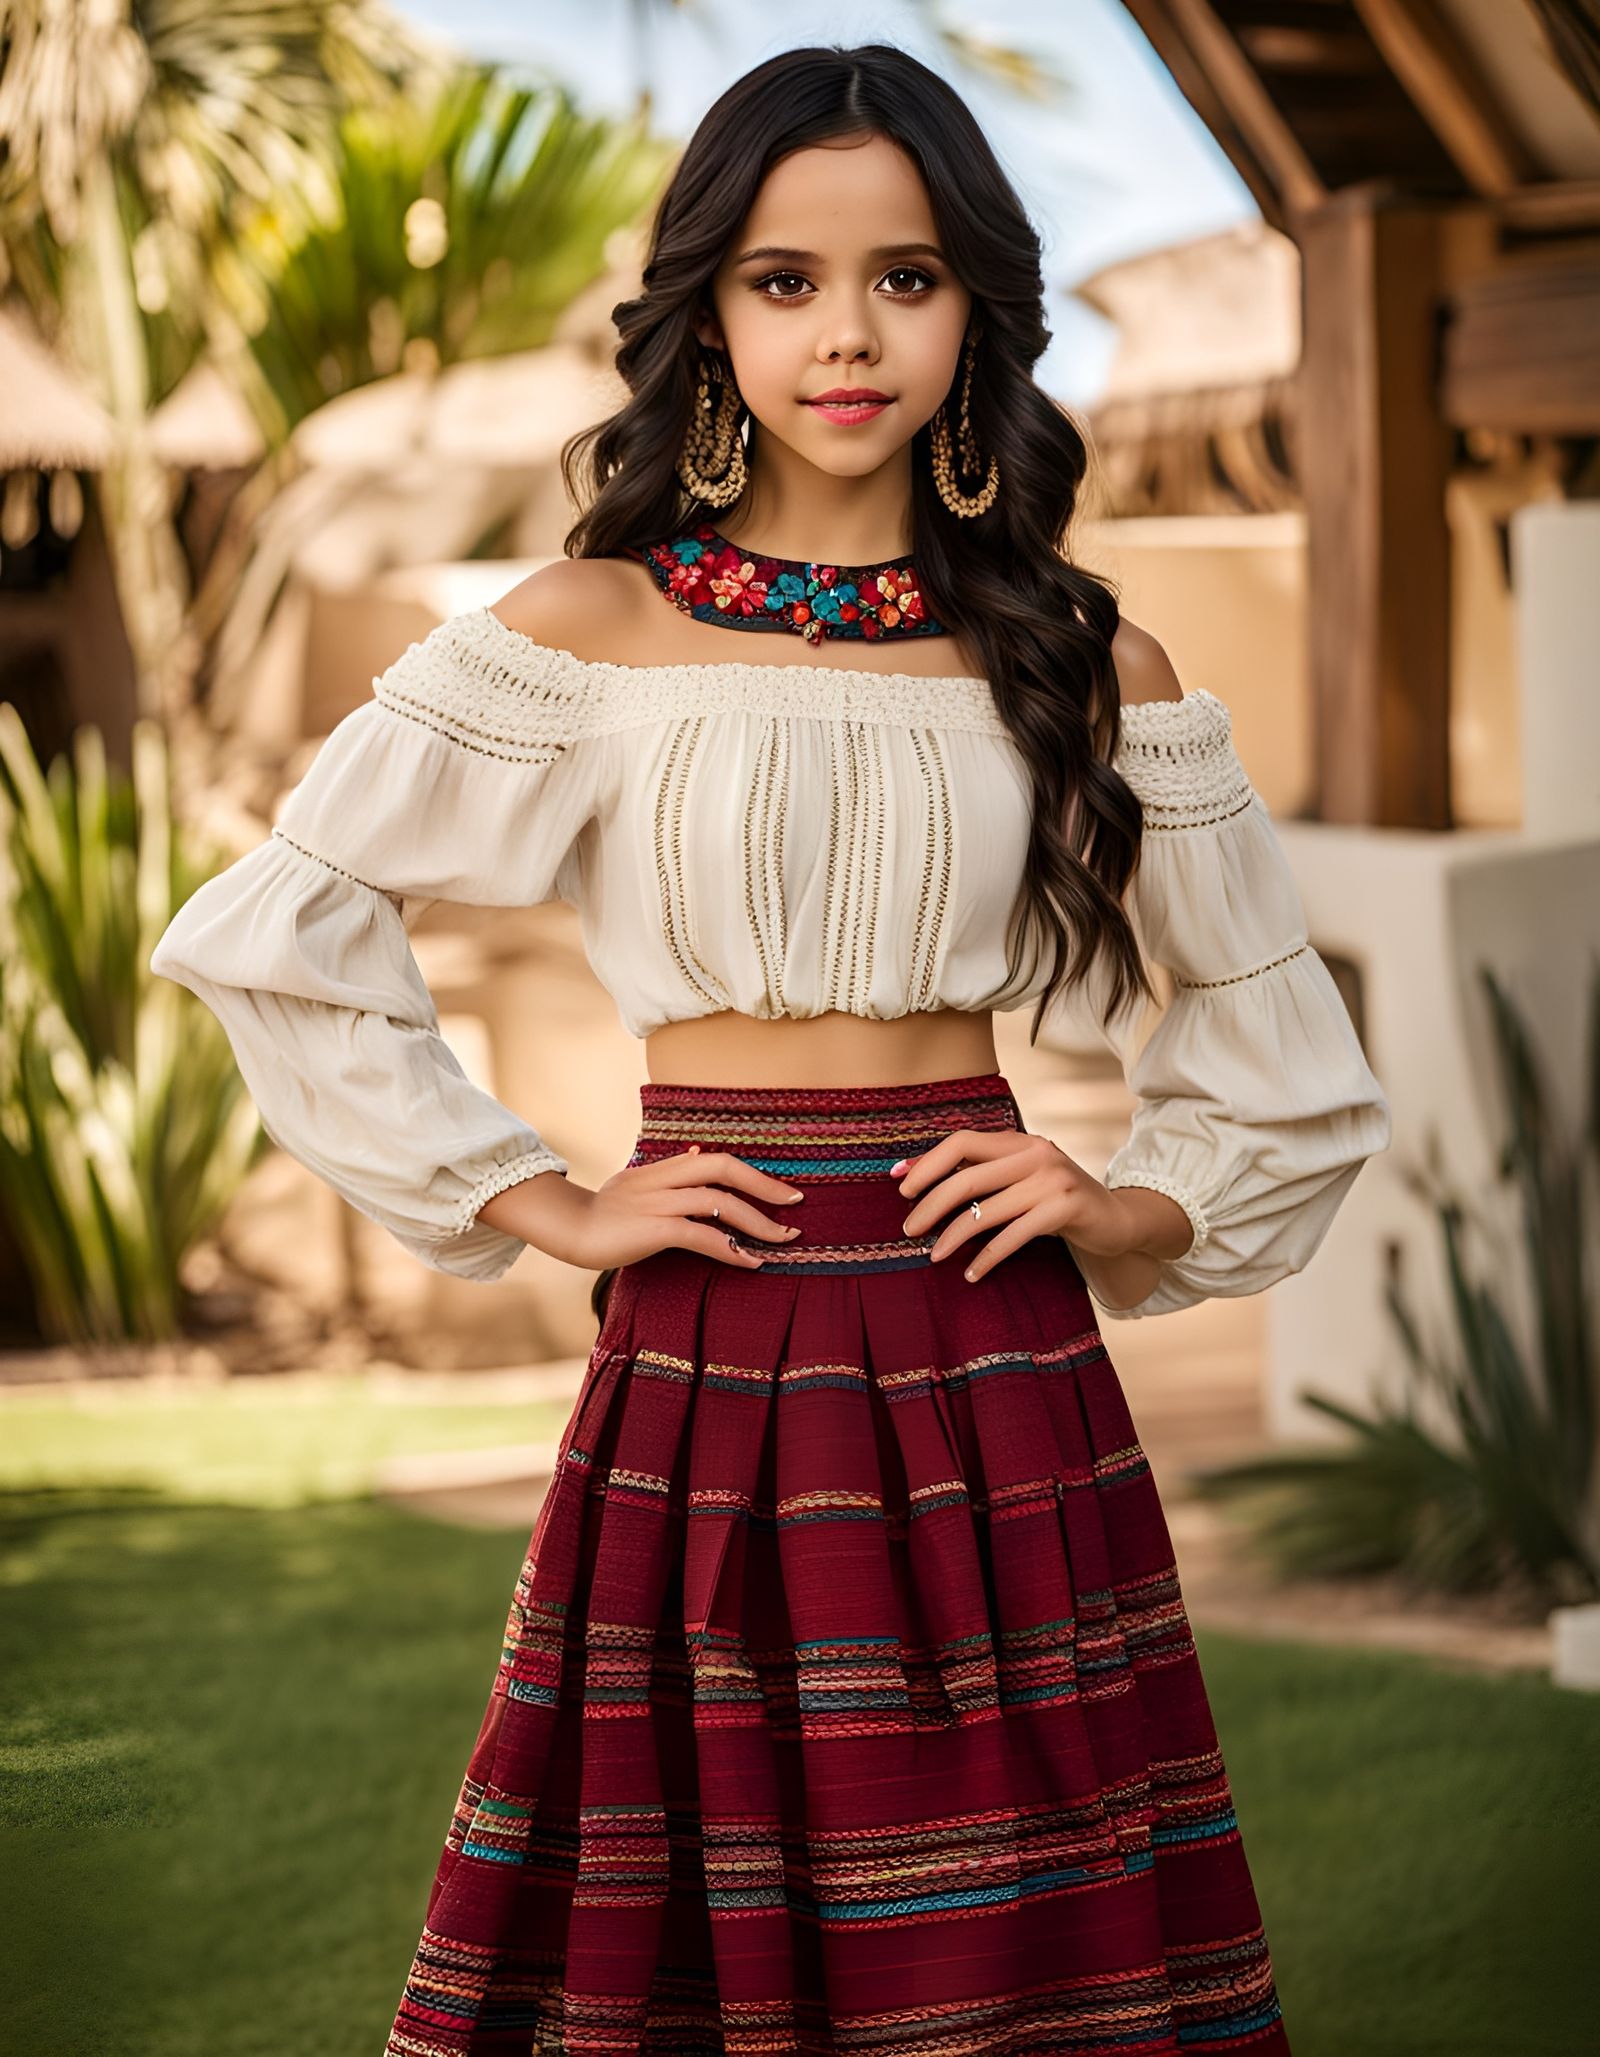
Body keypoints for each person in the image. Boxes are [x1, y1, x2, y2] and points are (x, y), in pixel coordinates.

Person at [151, 42, 1391, 2056]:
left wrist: (1122, 1194)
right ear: (708, 316)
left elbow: (1278, 1049)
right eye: (783, 279)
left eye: (903, 279)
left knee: (1003, 1890)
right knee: (675, 1900)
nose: (846, 335)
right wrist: (538, 1196)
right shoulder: (580, 627)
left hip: (991, 1340)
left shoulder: (1086, 661)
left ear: (974, 309)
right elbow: (282, 933)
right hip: (707, 1332)